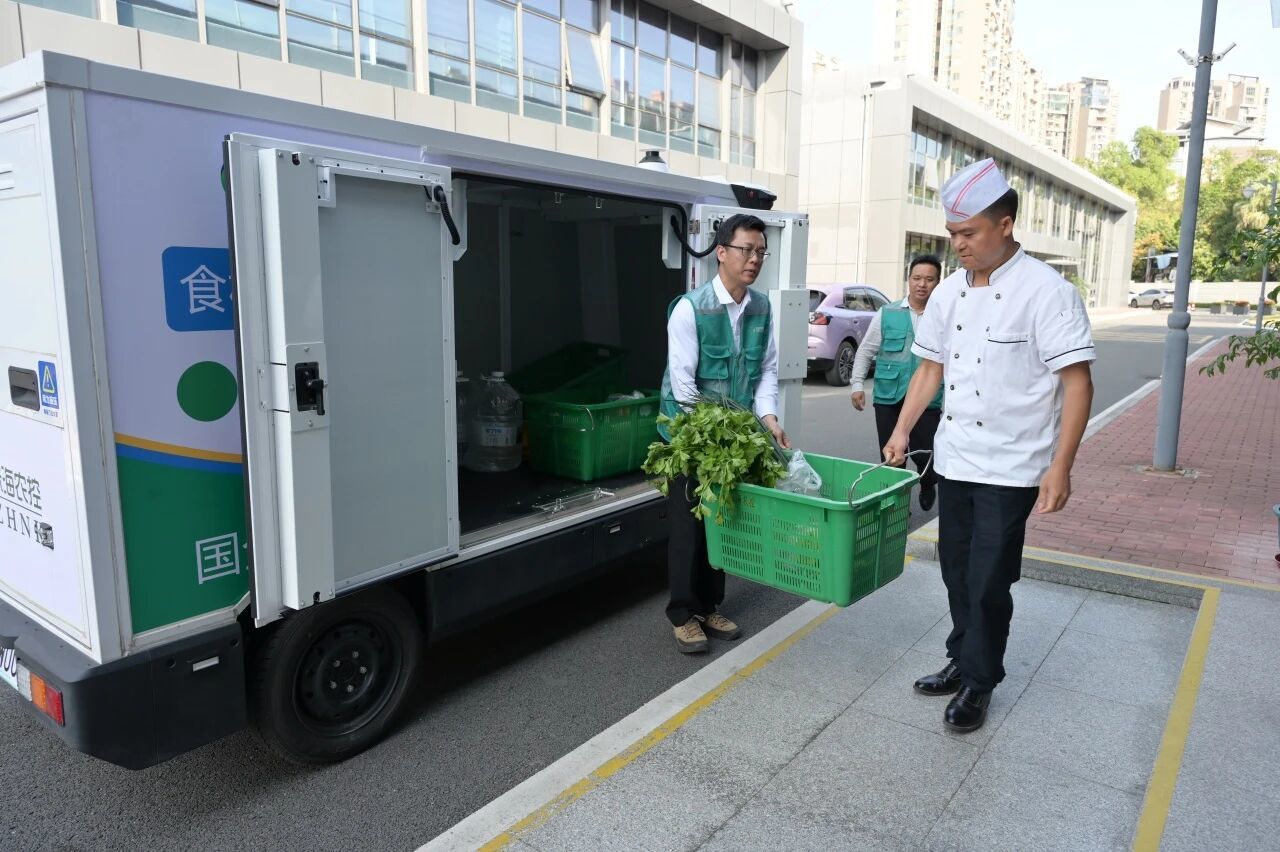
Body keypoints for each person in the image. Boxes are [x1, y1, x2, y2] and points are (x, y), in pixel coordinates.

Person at [883, 158, 1094, 733]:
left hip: (1014, 465)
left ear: (1005, 224)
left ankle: (980, 681)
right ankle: (962, 656)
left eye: (968, 234)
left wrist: (1061, 467)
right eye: (952, 235)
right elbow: (929, 370)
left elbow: (1077, 383)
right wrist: (902, 431)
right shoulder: (950, 293)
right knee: (953, 568)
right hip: (955, 458)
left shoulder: (1048, 292)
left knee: (988, 577)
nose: (958, 246)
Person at [658, 213, 790, 654]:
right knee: (688, 524)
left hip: (731, 435)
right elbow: (684, 388)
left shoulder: (762, 308)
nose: (755, 259)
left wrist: (768, 418)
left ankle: (709, 604)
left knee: (722, 519)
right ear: (721, 252)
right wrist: (725, 433)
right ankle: (682, 614)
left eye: (761, 252)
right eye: (746, 250)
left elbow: (766, 371)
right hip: (689, 434)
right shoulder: (689, 309)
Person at [849, 255, 945, 511]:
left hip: (929, 398)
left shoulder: (944, 316)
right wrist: (857, 384)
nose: (922, 284)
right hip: (889, 395)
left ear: (938, 282)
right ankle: (898, 504)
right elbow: (866, 350)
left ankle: (927, 483)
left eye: (929, 279)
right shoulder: (887, 312)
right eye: (917, 278)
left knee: (926, 452)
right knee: (891, 454)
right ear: (908, 280)